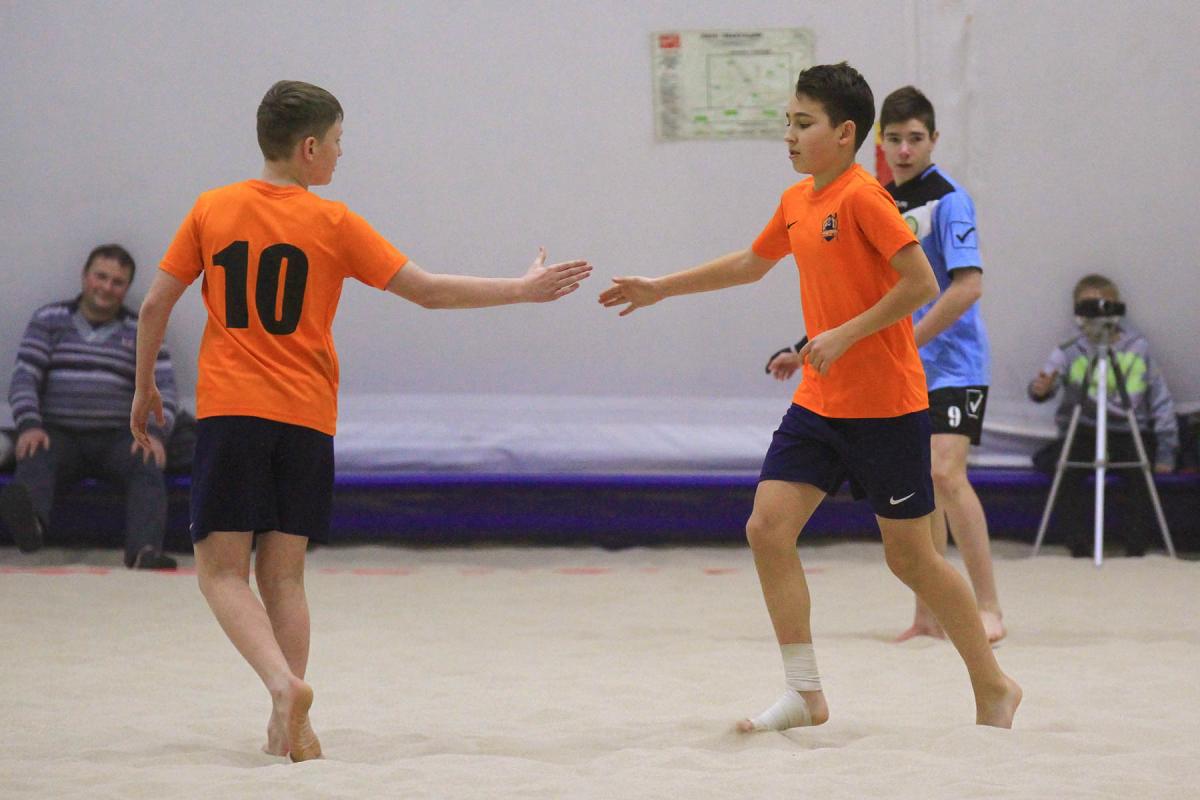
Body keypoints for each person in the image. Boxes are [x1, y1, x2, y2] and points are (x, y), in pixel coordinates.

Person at [130, 80, 592, 762]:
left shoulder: (212, 208)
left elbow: (154, 306)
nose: (342, 154)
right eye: (338, 142)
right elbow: (428, 292)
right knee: (284, 577)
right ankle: (286, 717)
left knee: (221, 573)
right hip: (307, 418)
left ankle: (282, 688)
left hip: (234, 412)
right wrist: (521, 290)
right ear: (309, 148)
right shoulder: (335, 223)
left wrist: (144, 387)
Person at [600, 63, 1020, 732]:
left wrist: (846, 335)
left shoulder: (866, 199)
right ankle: (805, 693)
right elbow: (750, 264)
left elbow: (920, 285)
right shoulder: (797, 199)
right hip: (820, 403)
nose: (789, 136)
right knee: (767, 529)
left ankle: (993, 685)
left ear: (844, 133)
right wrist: (661, 288)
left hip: (887, 408)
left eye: (803, 123)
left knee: (910, 558)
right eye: (788, 122)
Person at [768, 86, 1005, 643]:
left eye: (914, 139)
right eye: (894, 139)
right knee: (923, 484)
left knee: (946, 474)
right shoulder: (874, 197)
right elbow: (855, 292)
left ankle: (989, 606)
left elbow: (966, 286)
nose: (903, 150)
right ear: (878, 141)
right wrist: (803, 347)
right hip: (901, 367)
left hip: (953, 364)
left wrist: (909, 340)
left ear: (933, 140)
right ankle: (928, 614)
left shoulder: (949, 201)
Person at [1, 244, 179, 569]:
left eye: (117, 282)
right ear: (85, 276)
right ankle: (31, 526)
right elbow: (24, 377)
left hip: (121, 436)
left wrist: (155, 433)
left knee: (147, 462)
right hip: (57, 434)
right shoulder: (49, 319)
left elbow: (164, 388)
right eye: (101, 276)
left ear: (126, 288)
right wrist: (29, 425)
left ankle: (145, 551)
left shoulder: (142, 328)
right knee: (34, 453)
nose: (107, 287)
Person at [1029, 274, 1177, 557]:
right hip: (1084, 430)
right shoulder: (1070, 349)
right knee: (1065, 475)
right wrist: (1040, 389)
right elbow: (1044, 383)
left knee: (1140, 480)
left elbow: (1161, 401)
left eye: (1103, 306)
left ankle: (1136, 549)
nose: (1096, 315)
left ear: (1116, 309)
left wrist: (1166, 453)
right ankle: (1079, 547)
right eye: (1088, 307)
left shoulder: (1137, 348)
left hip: (1128, 431)